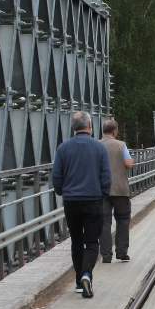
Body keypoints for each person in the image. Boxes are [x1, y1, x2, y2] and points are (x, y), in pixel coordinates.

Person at [51, 111, 110, 297]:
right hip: (93, 200)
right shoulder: (99, 148)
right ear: (90, 127)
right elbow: (106, 176)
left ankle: (78, 281)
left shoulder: (63, 148)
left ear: (73, 128)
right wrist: (103, 194)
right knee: (92, 242)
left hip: (71, 201)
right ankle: (86, 274)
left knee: (76, 240)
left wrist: (62, 191)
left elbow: (57, 176)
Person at [99, 118, 134, 262]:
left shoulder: (96, 145)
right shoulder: (121, 145)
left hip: (101, 190)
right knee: (123, 220)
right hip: (120, 189)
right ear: (115, 131)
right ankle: (121, 252)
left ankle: (106, 255)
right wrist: (130, 163)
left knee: (104, 222)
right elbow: (128, 163)